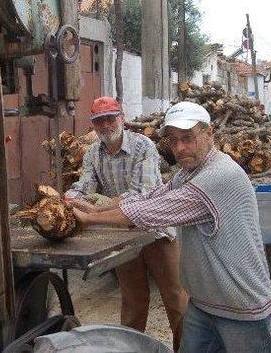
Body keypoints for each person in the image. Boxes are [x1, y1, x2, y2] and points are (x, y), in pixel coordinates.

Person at [71, 101, 271, 353]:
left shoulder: (217, 176)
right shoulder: (187, 172)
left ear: (209, 134)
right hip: (204, 304)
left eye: (188, 138)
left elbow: (152, 210)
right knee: (137, 301)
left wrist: (90, 219)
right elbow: (153, 196)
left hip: (239, 306)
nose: (179, 148)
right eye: (173, 140)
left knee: (174, 297)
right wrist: (96, 209)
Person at [65, 96, 187, 351]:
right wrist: (68, 200)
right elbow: (84, 185)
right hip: (122, 234)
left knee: (175, 299)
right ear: (94, 125)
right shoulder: (93, 153)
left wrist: (98, 208)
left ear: (122, 118)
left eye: (111, 118)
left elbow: (142, 193)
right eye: (99, 121)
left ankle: (186, 348)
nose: (106, 125)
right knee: (132, 300)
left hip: (155, 231)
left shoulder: (143, 146)